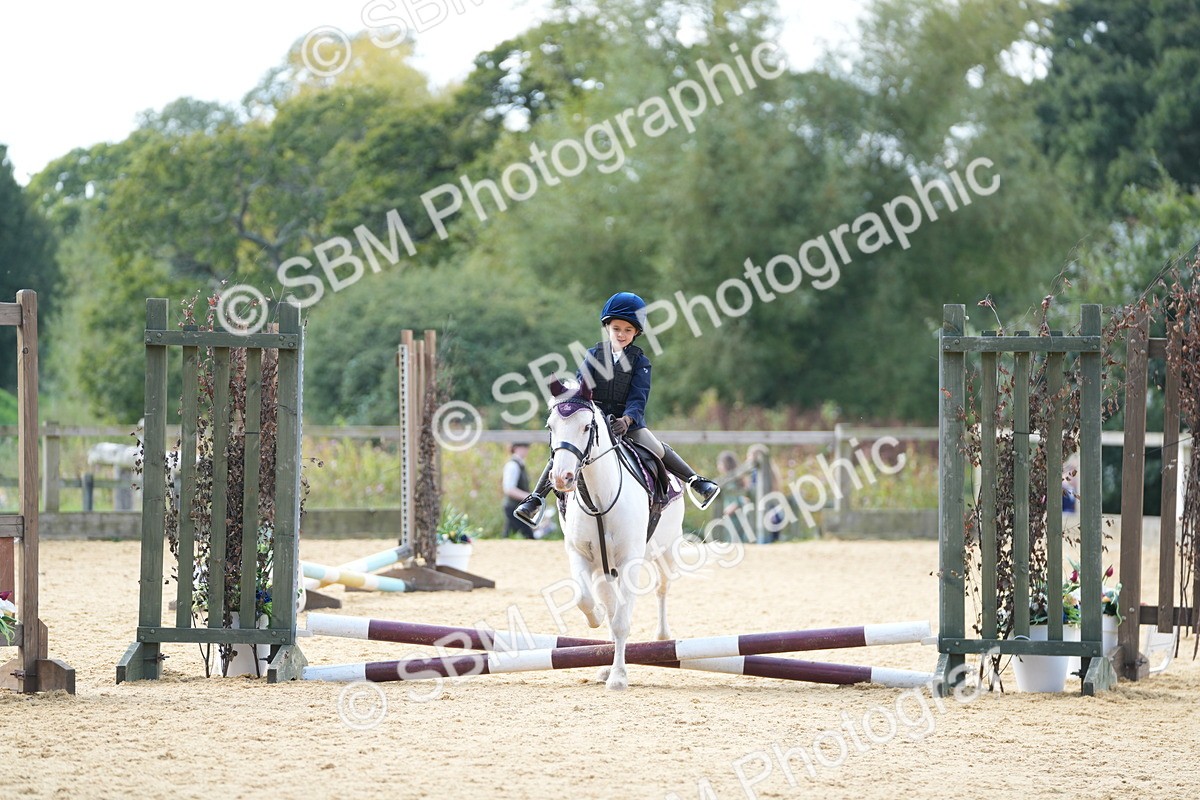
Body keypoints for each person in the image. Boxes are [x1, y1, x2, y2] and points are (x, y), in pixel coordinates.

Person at [514, 291, 721, 526]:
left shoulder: (641, 362)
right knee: (566, 448)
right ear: (608, 328)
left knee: (655, 446)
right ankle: (536, 499)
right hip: (594, 422)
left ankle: (696, 481)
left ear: (636, 333)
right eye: (617, 329)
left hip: (627, 424)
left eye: (627, 330)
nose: (621, 334)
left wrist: (628, 420)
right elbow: (583, 387)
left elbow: (638, 397)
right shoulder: (593, 356)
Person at [501, 442, 535, 539]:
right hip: (514, 507)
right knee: (529, 536)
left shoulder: (520, 464)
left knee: (507, 535)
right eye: (524, 447)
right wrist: (529, 497)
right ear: (516, 448)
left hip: (517, 507)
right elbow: (509, 489)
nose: (526, 450)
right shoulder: (512, 465)